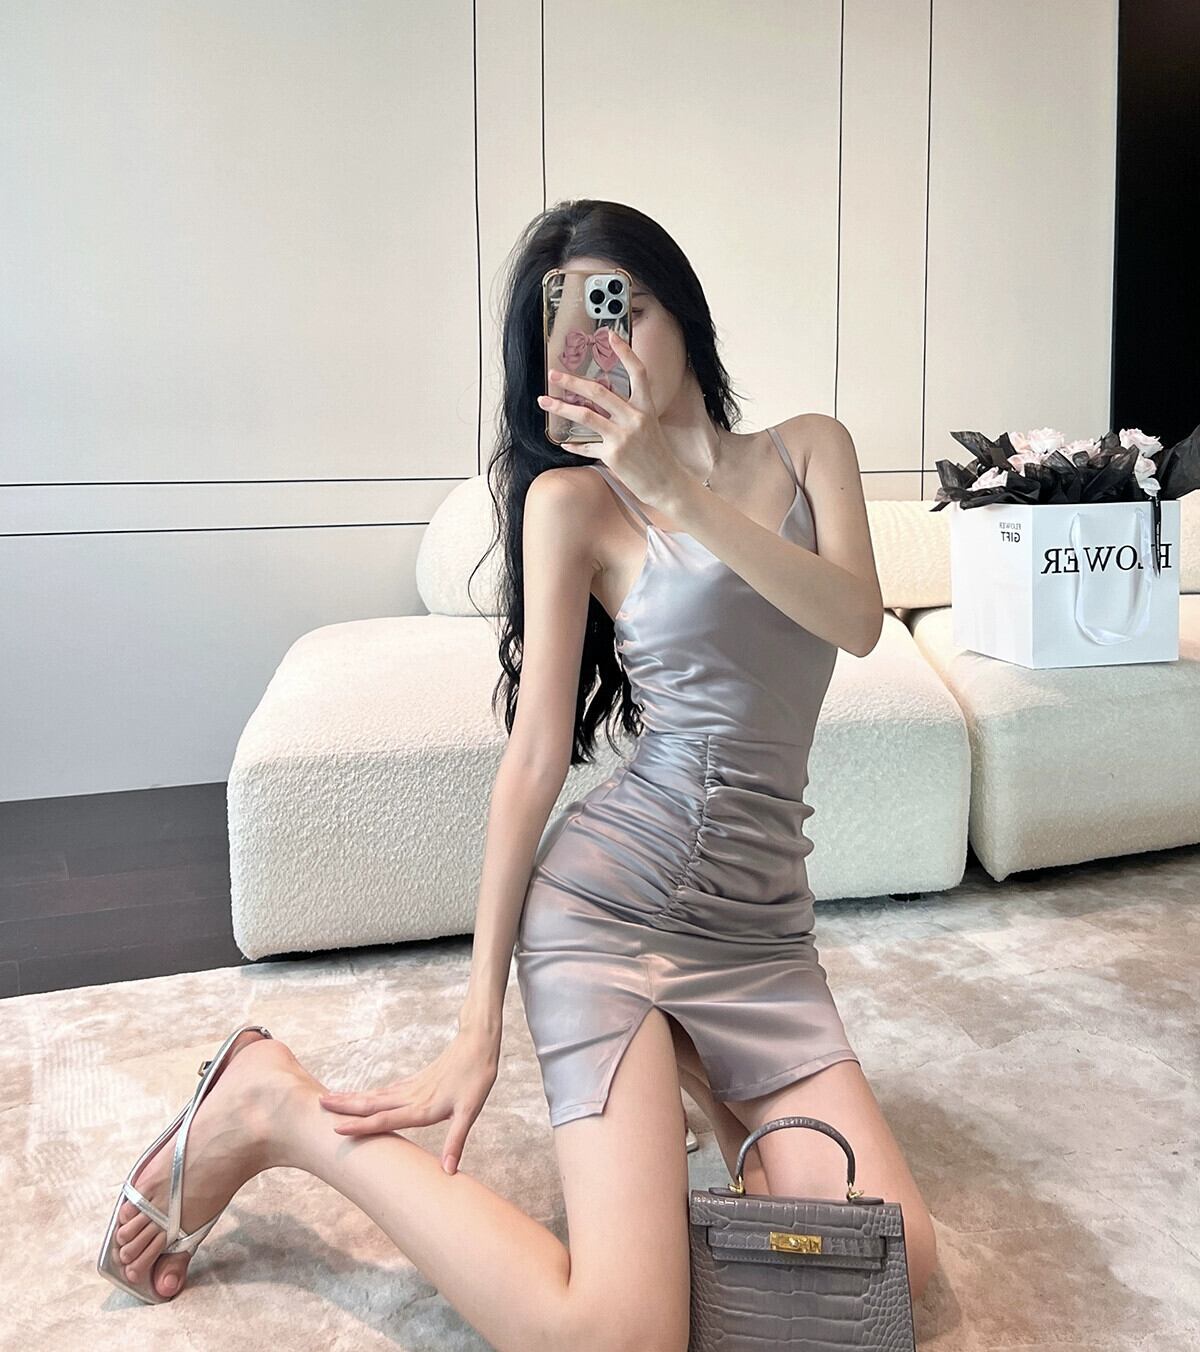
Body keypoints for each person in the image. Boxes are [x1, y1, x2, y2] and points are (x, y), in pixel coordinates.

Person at [98, 200, 938, 1348]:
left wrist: (683, 491)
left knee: (896, 1266)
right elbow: (536, 757)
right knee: (623, 1333)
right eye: (577, 331)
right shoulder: (573, 504)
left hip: (765, 935)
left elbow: (856, 620)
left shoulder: (809, 448)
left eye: (622, 310)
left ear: (678, 305)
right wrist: (477, 1019)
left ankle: (694, 1073)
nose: (608, 345)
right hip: (616, 913)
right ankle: (275, 1107)